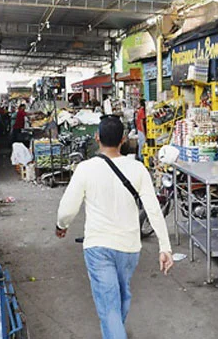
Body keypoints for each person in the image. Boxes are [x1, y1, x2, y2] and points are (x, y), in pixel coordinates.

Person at [56, 115, 174, 339]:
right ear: (123, 139)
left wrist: (61, 225)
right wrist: (165, 247)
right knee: (120, 298)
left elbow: (67, 209)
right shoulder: (137, 169)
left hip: (98, 247)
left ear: (97, 137)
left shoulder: (85, 168)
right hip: (129, 247)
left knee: (109, 306)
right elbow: (153, 210)